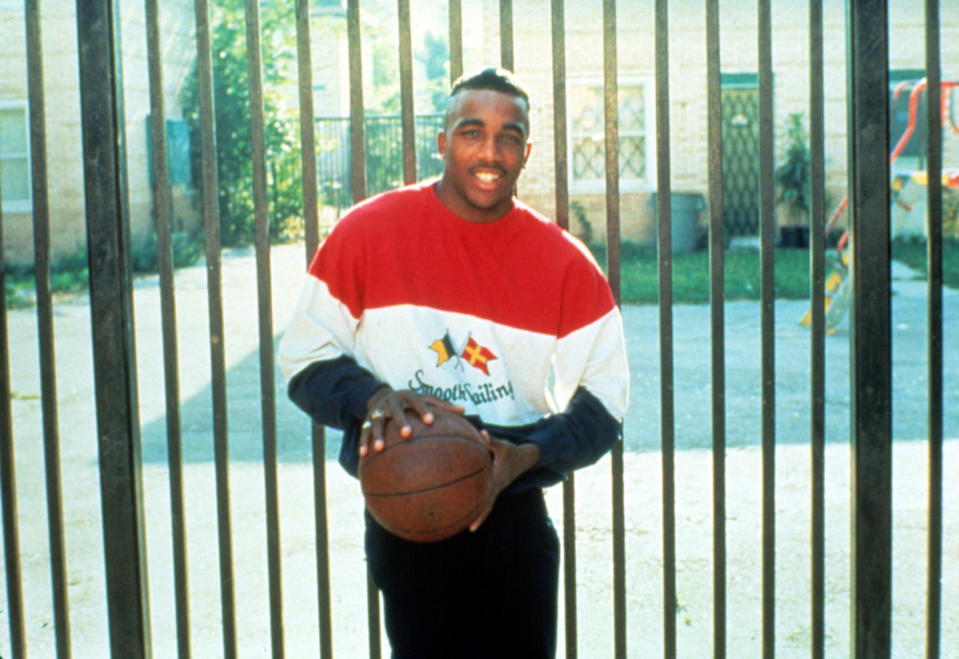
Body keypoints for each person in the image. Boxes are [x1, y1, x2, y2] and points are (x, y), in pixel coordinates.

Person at [278, 67, 629, 658]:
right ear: (442, 142)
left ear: (526, 152)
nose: (490, 151)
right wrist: (373, 399)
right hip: (406, 504)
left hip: (512, 509)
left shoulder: (564, 263)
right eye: (472, 132)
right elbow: (304, 359)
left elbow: (606, 402)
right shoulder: (366, 233)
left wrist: (529, 455)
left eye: (508, 136)